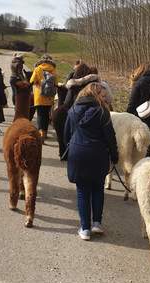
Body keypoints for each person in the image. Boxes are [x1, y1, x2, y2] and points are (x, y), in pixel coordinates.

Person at [64, 82, 118, 240]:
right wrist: (114, 156)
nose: (105, 98)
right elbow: (110, 137)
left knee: (82, 192)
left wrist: (70, 150)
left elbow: (66, 134)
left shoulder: (73, 110)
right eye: (102, 95)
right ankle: (96, 223)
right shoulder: (103, 112)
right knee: (97, 189)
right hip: (98, 155)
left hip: (78, 153)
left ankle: (85, 229)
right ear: (96, 96)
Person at [30, 54, 57, 142]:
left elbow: (32, 81)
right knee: (46, 115)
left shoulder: (38, 68)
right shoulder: (53, 69)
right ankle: (44, 133)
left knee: (40, 114)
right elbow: (56, 82)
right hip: (49, 96)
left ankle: (41, 133)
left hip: (39, 95)